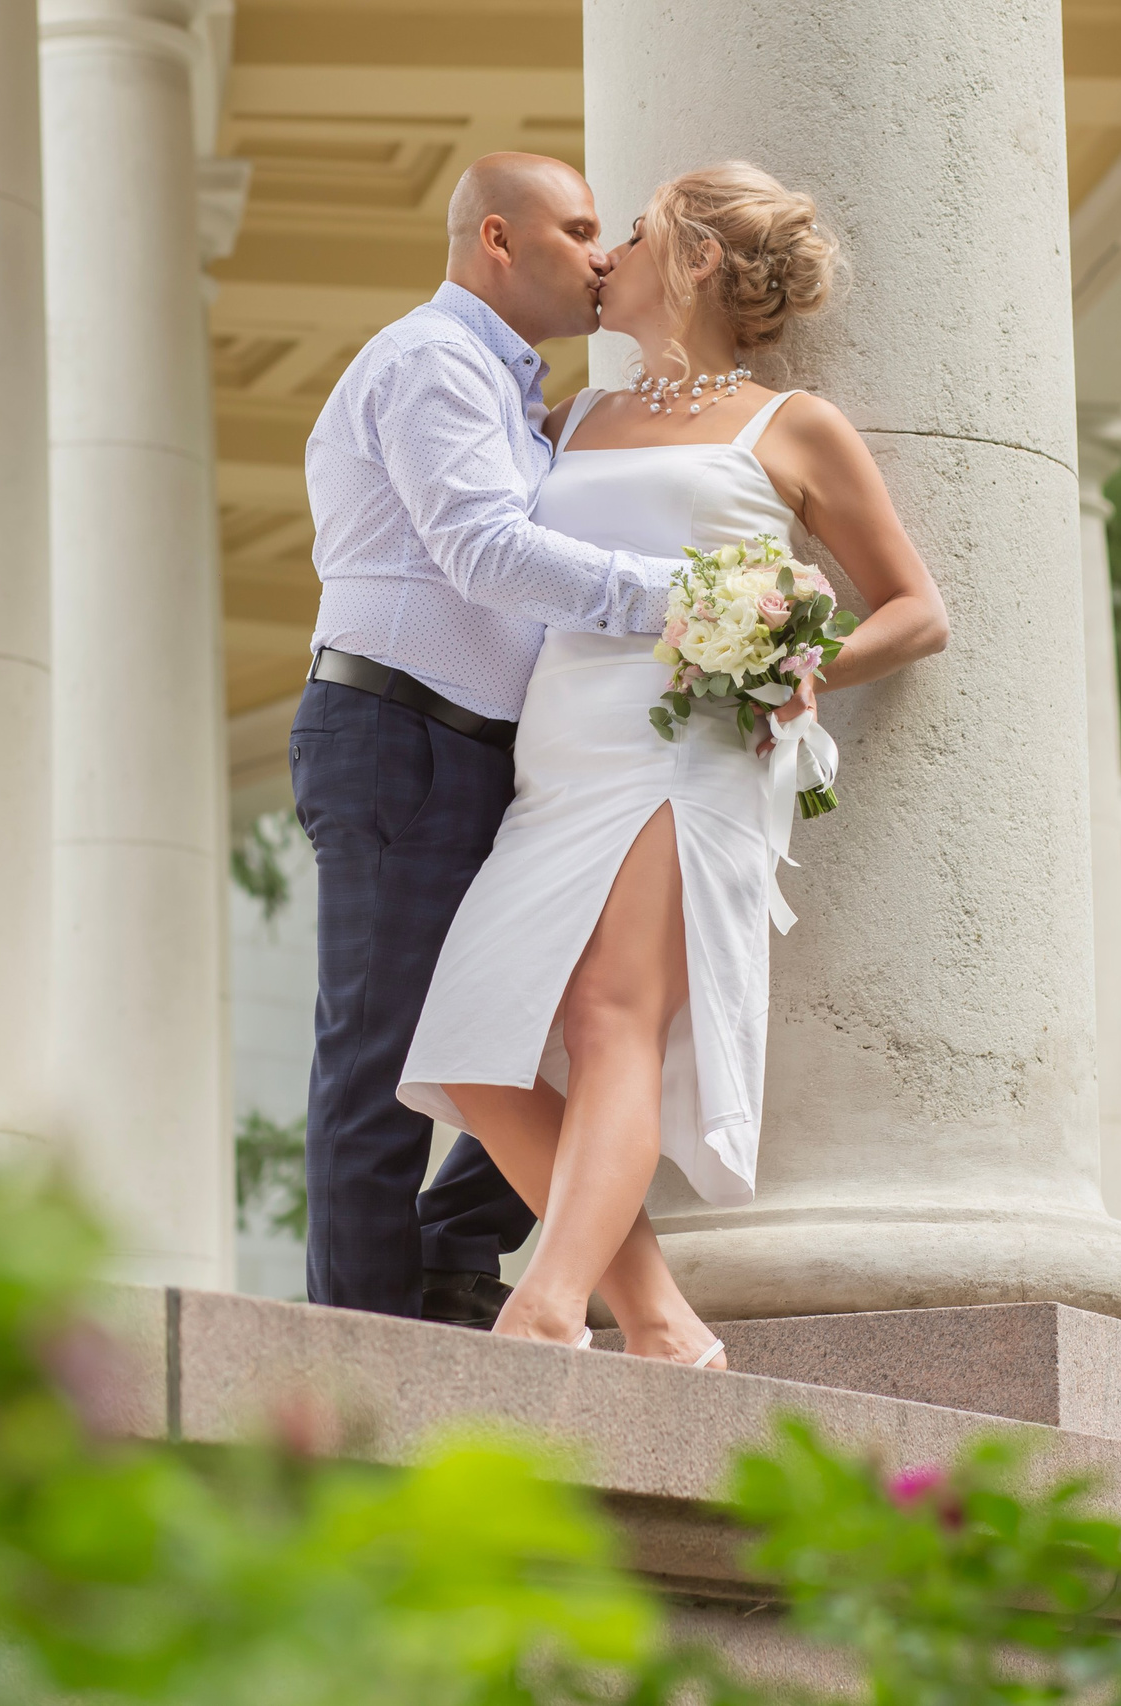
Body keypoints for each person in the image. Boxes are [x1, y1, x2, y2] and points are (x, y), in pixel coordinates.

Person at [398, 162, 949, 1365]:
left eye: (633, 234)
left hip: (696, 747)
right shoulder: (575, 418)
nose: (606, 258)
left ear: (694, 258)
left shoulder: (790, 426)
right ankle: (659, 1320)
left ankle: (546, 1308)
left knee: (611, 1019)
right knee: (465, 1052)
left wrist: (808, 666)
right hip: (562, 751)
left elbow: (915, 609)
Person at [293, 153, 691, 1323]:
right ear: (499, 242)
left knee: (555, 1030)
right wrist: (689, 598)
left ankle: (451, 1244)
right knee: (376, 1066)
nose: (604, 255)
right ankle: (361, 1353)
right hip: (398, 737)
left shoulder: (519, 402)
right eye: (578, 231)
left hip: (488, 758)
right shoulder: (432, 362)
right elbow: (483, 552)